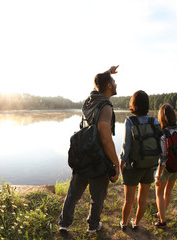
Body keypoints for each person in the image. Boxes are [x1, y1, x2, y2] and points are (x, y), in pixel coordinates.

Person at [58, 65, 120, 233]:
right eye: (113, 81)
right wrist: (116, 163)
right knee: (97, 195)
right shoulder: (105, 107)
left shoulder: (90, 100)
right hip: (97, 158)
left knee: (73, 193)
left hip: (82, 153)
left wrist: (107, 72)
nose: (115, 84)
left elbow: (96, 86)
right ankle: (93, 226)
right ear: (108, 86)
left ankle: (64, 223)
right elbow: (106, 139)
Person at [120, 90, 161, 230]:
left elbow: (127, 145)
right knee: (142, 200)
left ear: (133, 104)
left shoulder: (130, 121)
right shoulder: (154, 121)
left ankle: (124, 224)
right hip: (149, 165)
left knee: (129, 200)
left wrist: (122, 162)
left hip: (133, 166)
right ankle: (136, 223)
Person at [153, 104, 177, 229]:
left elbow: (163, 159)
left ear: (161, 118)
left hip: (167, 168)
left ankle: (162, 221)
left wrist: (158, 175)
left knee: (159, 194)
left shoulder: (163, 134)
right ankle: (160, 212)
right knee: (168, 192)